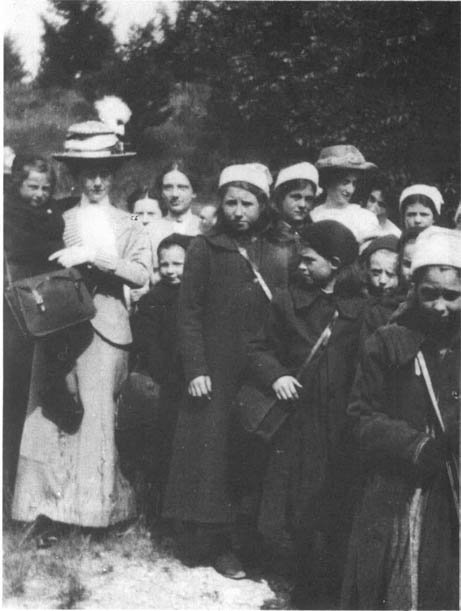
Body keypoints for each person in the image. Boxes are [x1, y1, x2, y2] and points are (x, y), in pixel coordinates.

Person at [12, 121, 150, 535]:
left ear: (114, 175)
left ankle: (93, 514)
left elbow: (142, 274)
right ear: (73, 174)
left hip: (106, 328)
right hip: (58, 326)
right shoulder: (59, 218)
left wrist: (98, 258)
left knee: (96, 417)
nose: (95, 180)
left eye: (103, 172)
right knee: (51, 414)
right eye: (86, 172)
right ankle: (48, 511)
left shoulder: (129, 224)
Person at [162, 163, 288, 579]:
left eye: (247, 203)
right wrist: (196, 367)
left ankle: (247, 541)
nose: (238, 211)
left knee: (250, 454)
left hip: (260, 367)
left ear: (263, 205)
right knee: (210, 457)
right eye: (230, 202)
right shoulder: (205, 249)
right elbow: (189, 314)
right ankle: (214, 544)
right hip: (215, 369)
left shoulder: (276, 249)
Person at [247, 220, 365, 608]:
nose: (300, 265)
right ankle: (305, 584)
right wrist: (276, 375)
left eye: (309, 260)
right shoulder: (285, 301)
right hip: (300, 420)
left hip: (344, 422)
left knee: (338, 500)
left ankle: (333, 585)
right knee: (299, 502)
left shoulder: (358, 309)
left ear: (334, 263)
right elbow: (258, 349)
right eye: (299, 258)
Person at [342, 226, 460, 610]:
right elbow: (360, 417)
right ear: (414, 290)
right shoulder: (388, 341)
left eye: (453, 296)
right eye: (430, 294)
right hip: (399, 487)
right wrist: (415, 445)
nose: (441, 306)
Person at [3, 155, 62, 505]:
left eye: (45, 188)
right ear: (16, 185)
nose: (39, 194)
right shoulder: (9, 216)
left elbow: (126, 215)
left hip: (43, 312)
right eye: (32, 187)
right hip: (12, 313)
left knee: (34, 401)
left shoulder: (54, 216)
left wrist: (135, 218)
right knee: (11, 399)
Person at [131, 233, 193, 521]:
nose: (171, 271)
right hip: (168, 380)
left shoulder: (199, 296)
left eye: (178, 264)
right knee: (164, 443)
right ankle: (159, 511)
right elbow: (148, 343)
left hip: (195, 377)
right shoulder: (153, 299)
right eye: (164, 265)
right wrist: (165, 373)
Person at [310, 145, 380, 246]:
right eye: (345, 182)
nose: (350, 190)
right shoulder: (313, 216)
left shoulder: (364, 217)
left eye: (354, 183)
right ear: (329, 181)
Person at [359, 235, 402, 344]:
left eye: (390, 274)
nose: (382, 280)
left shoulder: (403, 310)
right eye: (376, 273)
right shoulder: (359, 303)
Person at [272, 162, 320, 238]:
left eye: (308, 199)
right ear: (281, 198)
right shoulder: (265, 238)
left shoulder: (317, 235)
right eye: (296, 197)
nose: (303, 205)